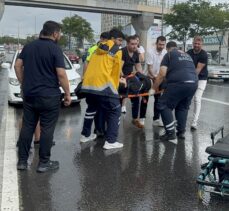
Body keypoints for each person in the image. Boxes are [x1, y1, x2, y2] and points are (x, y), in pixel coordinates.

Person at [15, 21, 71, 172]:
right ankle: (44, 163)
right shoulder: (55, 49)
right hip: (49, 96)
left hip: (30, 94)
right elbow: (61, 73)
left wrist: (23, 83)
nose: (59, 36)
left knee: (28, 126)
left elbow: (17, 65)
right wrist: (67, 93)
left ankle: (22, 161)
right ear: (54, 34)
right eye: (59, 33)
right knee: (47, 129)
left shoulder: (29, 46)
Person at [80, 28, 125, 150]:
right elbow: (115, 73)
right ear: (113, 39)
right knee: (115, 110)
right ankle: (111, 141)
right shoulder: (117, 50)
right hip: (104, 85)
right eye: (120, 40)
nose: (120, 43)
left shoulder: (96, 49)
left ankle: (85, 135)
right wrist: (116, 89)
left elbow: (91, 65)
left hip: (89, 85)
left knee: (91, 108)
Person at [153, 41, 198, 141]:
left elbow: (162, 74)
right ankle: (181, 132)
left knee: (163, 105)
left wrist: (153, 88)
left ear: (168, 48)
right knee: (183, 107)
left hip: (179, 82)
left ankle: (170, 133)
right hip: (193, 83)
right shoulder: (187, 55)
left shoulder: (168, 54)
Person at [141, 36, 167, 127]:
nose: (161, 46)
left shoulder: (165, 52)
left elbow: (164, 68)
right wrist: (156, 79)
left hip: (159, 78)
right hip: (148, 77)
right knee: (145, 98)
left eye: (163, 45)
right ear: (156, 43)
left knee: (158, 99)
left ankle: (156, 119)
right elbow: (150, 68)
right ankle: (142, 118)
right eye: (160, 44)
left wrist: (160, 79)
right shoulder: (150, 51)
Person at [121, 35, 144, 128]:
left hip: (130, 77)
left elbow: (138, 66)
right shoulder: (122, 52)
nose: (134, 46)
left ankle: (135, 119)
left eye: (136, 44)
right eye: (132, 44)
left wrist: (142, 77)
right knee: (119, 98)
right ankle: (114, 120)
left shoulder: (135, 53)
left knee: (136, 96)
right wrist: (123, 78)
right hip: (120, 77)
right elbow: (119, 69)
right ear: (127, 44)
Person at [187, 36, 208, 130]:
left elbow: (197, 70)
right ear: (193, 43)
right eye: (195, 43)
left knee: (197, 98)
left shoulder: (204, 55)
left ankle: (194, 122)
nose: (196, 45)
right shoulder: (188, 53)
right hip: (189, 77)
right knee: (185, 98)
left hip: (201, 79)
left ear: (201, 44)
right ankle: (181, 118)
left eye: (198, 44)